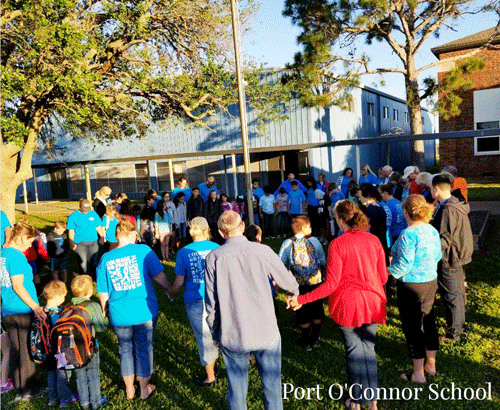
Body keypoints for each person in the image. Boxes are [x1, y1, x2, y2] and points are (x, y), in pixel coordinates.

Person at [287, 200, 387, 410]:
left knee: (354, 351)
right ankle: (372, 402)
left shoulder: (337, 244)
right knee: (368, 349)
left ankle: (357, 401)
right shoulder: (374, 240)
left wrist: (301, 298)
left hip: (348, 304)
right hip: (373, 301)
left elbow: (331, 284)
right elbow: (383, 277)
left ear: (341, 221)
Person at [205, 211, 300, 410]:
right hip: (265, 329)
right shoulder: (263, 251)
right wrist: (295, 294)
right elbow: (289, 282)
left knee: (237, 392)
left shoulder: (214, 257)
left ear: (222, 233)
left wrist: (215, 331)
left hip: (233, 331)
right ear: (242, 226)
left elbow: (211, 302)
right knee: (273, 388)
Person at [97, 219, 171, 401]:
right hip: (143, 310)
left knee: (125, 350)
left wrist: (105, 309)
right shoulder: (143, 251)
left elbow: (103, 290)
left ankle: (130, 390)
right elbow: (159, 275)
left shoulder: (106, 258)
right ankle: (145, 389)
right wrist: (170, 289)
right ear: (132, 235)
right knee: (144, 349)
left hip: (119, 313)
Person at [388, 195, 442, 384]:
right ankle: (431, 365)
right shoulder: (432, 230)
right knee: (428, 320)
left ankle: (418, 374)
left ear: (406, 212)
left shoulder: (408, 235)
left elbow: (404, 265)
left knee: (412, 328)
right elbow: (438, 255)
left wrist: (387, 271)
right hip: (430, 280)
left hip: (411, 284)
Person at [168, 217, 220, 387]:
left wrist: (171, 292)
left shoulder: (184, 252)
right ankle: (222, 363)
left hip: (195, 299)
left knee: (204, 337)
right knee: (220, 331)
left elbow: (179, 281)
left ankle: (210, 376)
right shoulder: (217, 248)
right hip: (217, 298)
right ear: (207, 230)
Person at [1, 219, 47, 400]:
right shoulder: (17, 256)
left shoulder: (3, 253)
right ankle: (28, 388)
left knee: (16, 348)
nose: (30, 246)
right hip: (21, 308)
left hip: (8, 309)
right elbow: (18, 286)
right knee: (27, 349)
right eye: (29, 242)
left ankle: (20, 386)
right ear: (21, 237)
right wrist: (36, 307)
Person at [431, 174, 473, 342]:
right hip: (456, 254)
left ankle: (454, 333)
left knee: (452, 295)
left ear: (436, 189)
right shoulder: (454, 204)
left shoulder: (448, 209)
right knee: (457, 292)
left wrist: (430, 252)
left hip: (449, 257)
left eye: (430, 189)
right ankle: (458, 325)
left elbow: (445, 239)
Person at [278, 216, 326, 351]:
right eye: (310, 226)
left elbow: (280, 263)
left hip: (298, 284)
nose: (311, 229)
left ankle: (305, 342)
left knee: (302, 311)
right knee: (317, 309)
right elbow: (322, 260)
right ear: (304, 228)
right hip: (315, 282)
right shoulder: (314, 241)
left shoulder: (287, 243)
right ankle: (315, 339)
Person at [70, 275, 108, 410]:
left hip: (73, 350)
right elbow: (101, 327)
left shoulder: (69, 306)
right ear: (90, 292)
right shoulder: (92, 306)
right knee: (93, 374)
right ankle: (96, 402)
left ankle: (84, 403)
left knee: (80, 376)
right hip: (90, 348)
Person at [43, 280, 78, 407]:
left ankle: (52, 398)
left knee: (51, 373)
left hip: (46, 349)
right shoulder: (56, 315)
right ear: (57, 297)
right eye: (63, 296)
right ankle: (65, 398)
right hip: (59, 350)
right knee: (63, 373)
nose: (64, 298)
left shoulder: (42, 311)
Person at [67, 199, 104, 279]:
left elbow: (98, 226)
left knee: (93, 262)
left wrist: (102, 237)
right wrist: (71, 242)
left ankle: (93, 278)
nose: (86, 211)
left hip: (93, 241)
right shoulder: (73, 216)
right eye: (84, 210)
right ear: (80, 207)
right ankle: (83, 279)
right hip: (80, 243)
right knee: (82, 263)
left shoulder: (93, 214)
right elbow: (71, 230)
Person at [357, 184, 389, 261]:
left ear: (367, 196)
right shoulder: (378, 207)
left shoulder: (371, 210)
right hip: (381, 245)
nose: (359, 199)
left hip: (375, 248)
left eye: (360, 196)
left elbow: (370, 230)